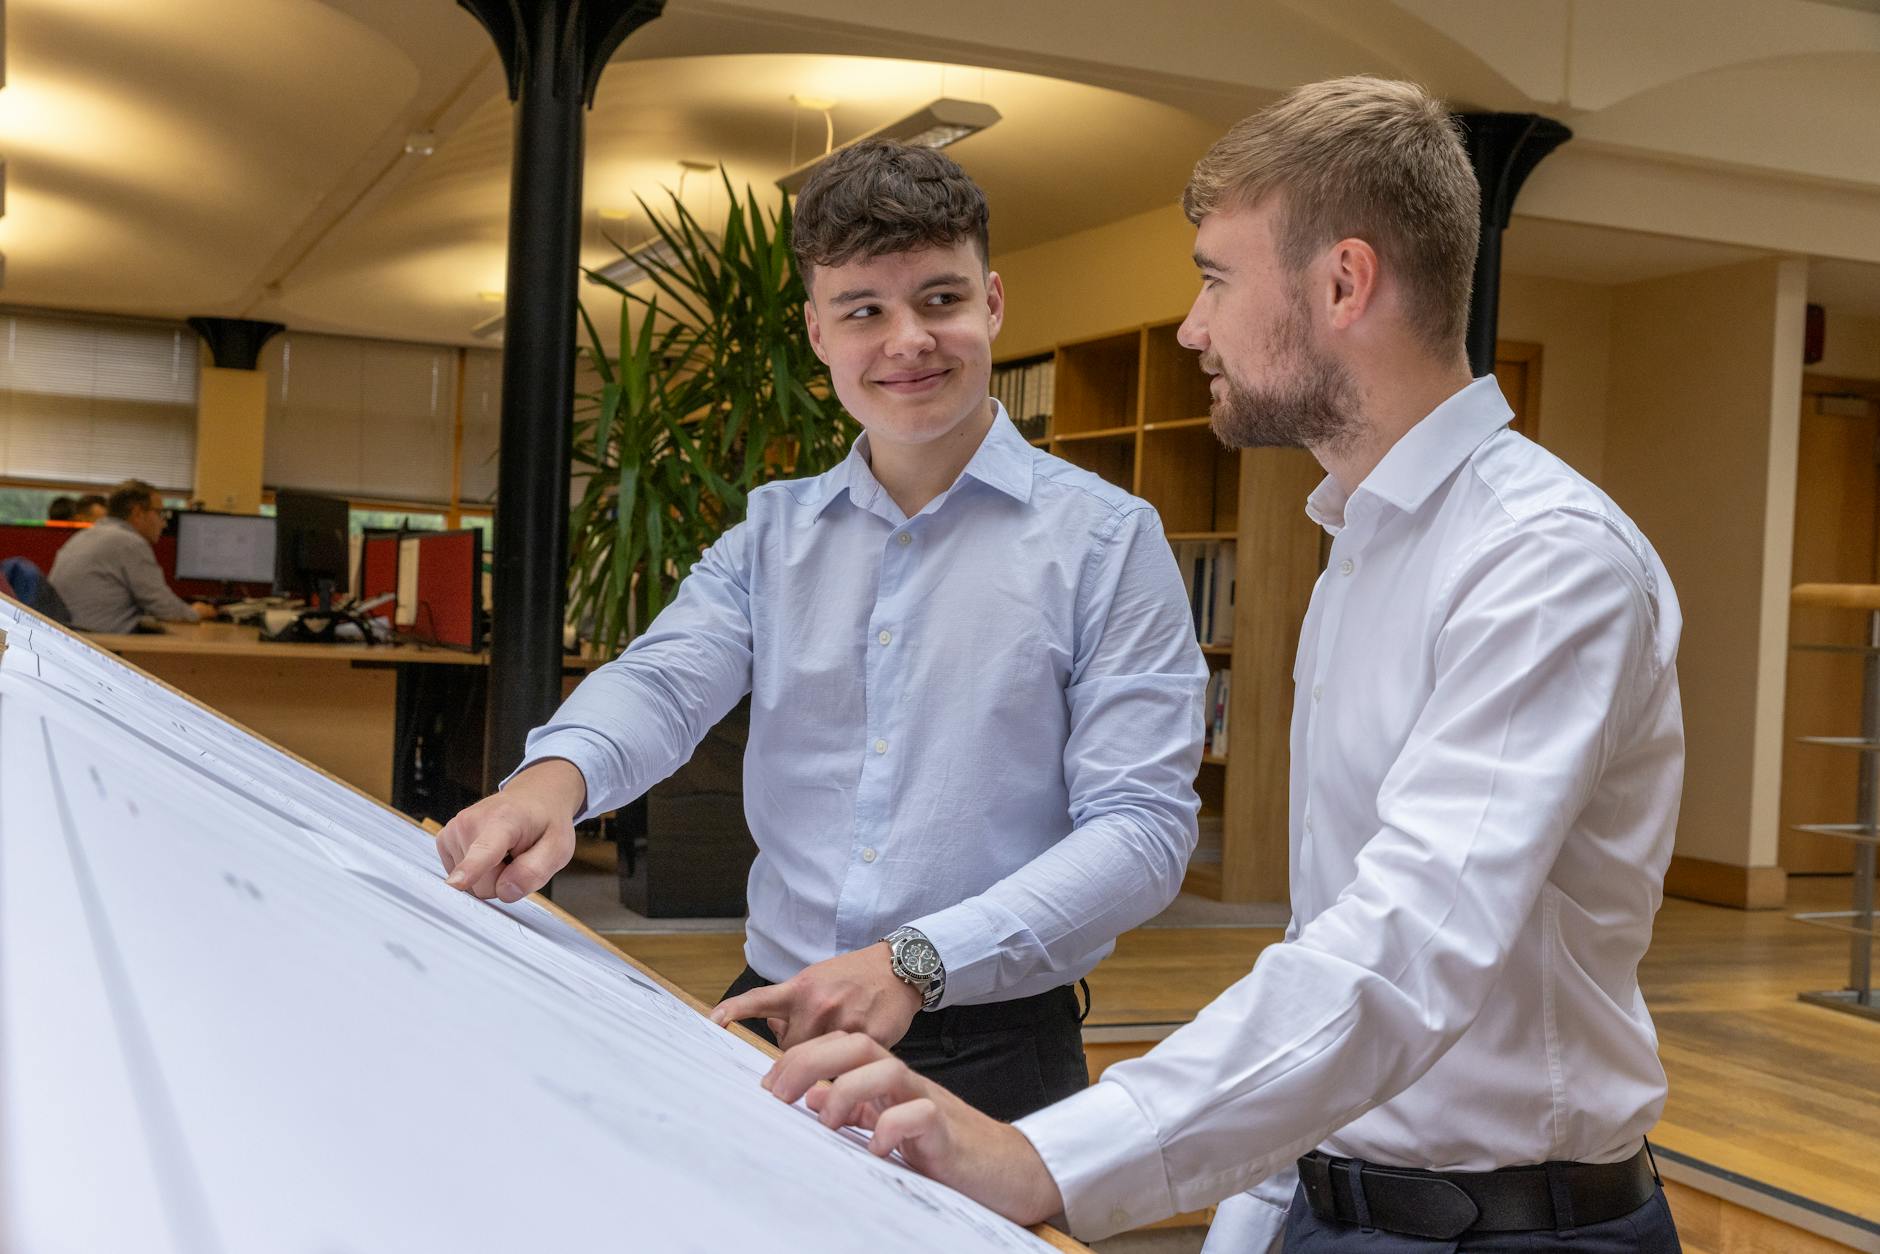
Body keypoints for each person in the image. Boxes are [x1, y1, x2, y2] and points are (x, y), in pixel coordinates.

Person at [764, 77, 1686, 1253]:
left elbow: (1403, 949)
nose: (1193, 326)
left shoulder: (1542, 561)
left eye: (1214, 278)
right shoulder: (1358, 541)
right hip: (1336, 1203)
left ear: (1342, 283)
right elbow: (1322, 945)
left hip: (1511, 1230)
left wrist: (1042, 1153)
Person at [436, 139, 1208, 1121]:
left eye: (939, 299)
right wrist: (553, 781)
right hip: (776, 1016)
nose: (906, 341)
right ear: (815, 331)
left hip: (991, 1051)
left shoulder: (1105, 541)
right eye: (863, 311)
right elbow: (668, 680)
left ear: (993, 303)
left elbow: (1141, 830)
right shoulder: (775, 532)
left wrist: (918, 962)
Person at [48, 479, 218, 633]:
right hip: (99, 640)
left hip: (75, 633)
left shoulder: (87, 535)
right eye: (159, 513)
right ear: (138, 513)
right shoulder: (128, 542)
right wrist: (196, 612)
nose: (163, 522)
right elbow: (164, 608)